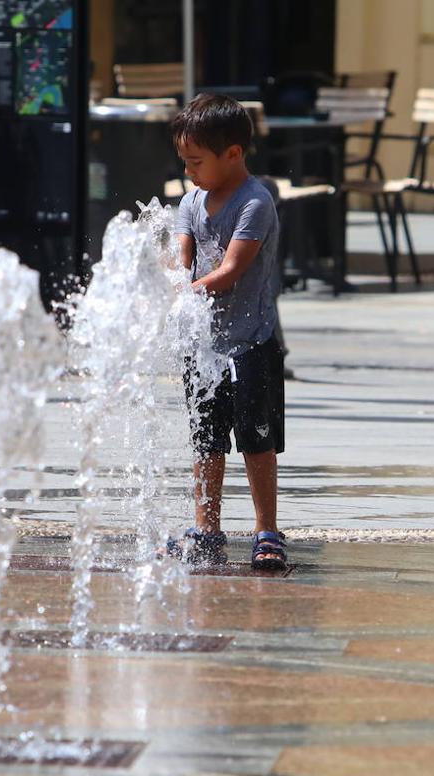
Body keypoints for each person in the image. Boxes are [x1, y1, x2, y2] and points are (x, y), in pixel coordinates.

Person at [170, 94, 286, 570]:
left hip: (253, 342)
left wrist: (185, 292)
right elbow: (182, 259)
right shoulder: (191, 201)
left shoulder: (254, 203)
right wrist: (169, 283)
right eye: (184, 162)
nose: (189, 171)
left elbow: (232, 270)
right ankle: (207, 528)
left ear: (233, 154)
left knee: (256, 440)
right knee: (207, 439)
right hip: (205, 344)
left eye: (196, 162)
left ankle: (266, 531)